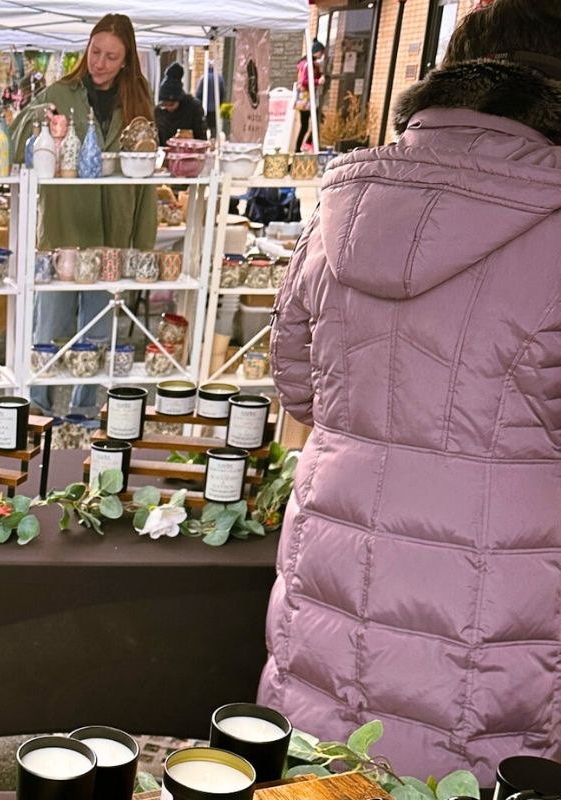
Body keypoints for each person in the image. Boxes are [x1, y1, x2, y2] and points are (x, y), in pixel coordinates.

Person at [260, 0, 561, 784]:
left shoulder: (342, 208)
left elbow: (294, 381)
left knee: (317, 769)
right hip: (498, 619)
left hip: (331, 568)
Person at [10, 13, 157, 417]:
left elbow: (147, 180)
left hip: (112, 231)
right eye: (95, 52)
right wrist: (40, 125)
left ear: (126, 60)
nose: (100, 62)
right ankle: (38, 406)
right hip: (64, 226)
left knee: (97, 329)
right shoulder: (61, 91)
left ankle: (83, 411)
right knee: (50, 325)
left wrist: (142, 248)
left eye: (111, 56)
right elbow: (17, 139)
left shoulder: (138, 104)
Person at [154, 62, 206, 144]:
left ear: (179, 99)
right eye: (164, 104)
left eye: (171, 104)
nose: (168, 108)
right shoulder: (158, 111)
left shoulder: (193, 108)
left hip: (187, 152)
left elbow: (201, 136)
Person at [294, 40, 325, 152]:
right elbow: (304, 81)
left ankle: (298, 148)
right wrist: (318, 81)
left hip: (303, 99)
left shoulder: (304, 63)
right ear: (317, 52)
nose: (322, 55)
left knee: (305, 125)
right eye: (321, 52)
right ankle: (306, 144)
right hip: (307, 99)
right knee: (317, 120)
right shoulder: (308, 64)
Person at [193, 64, 225, 137]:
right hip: (215, 108)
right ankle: (213, 141)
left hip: (204, 107)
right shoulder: (219, 78)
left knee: (203, 125)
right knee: (213, 126)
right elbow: (222, 94)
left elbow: (198, 93)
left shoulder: (203, 78)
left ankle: (205, 141)